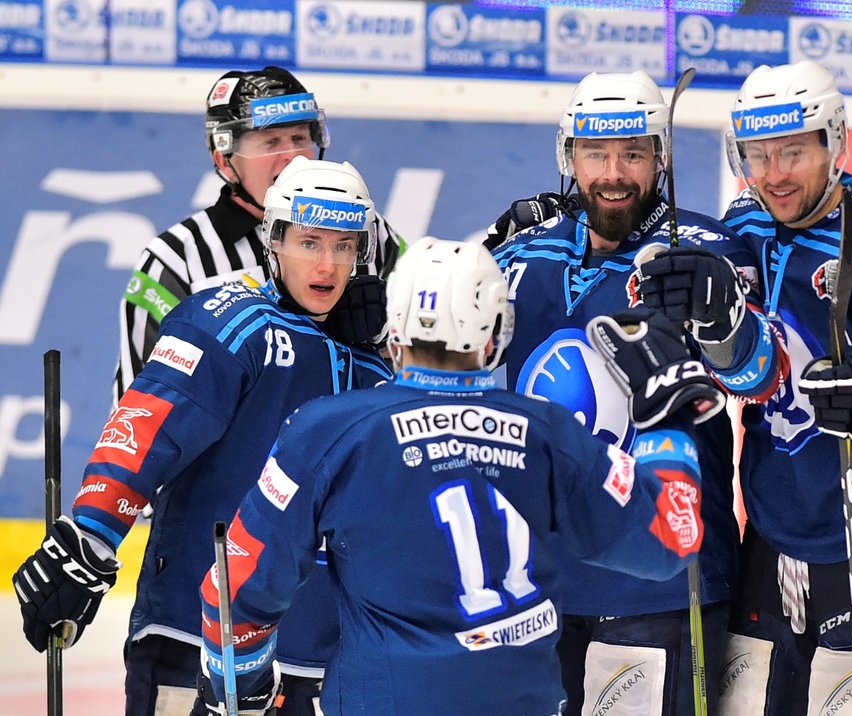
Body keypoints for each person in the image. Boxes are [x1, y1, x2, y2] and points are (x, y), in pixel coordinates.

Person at [193, 236, 720, 715]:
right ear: (495, 330)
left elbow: (236, 587)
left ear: (394, 325)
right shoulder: (545, 430)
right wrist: (664, 420)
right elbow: (670, 542)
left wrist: (242, 682)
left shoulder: (330, 430)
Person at [637, 60, 852, 715]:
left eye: (793, 152)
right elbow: (758, 371)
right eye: (758, 155)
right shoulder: (747, 227)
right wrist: (721, 324)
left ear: (836, 141)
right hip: (773, 540)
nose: (774, 175)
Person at [12, 157, 393, 716]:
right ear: (274, 239)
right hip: (198, 641)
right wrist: (89, 536)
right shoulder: (226, 322)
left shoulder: (373, 365)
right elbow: (146, 428)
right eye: (310, 242)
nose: (328, 263)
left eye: (343, 245)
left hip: (323, 659)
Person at [489, 70, 741, 715]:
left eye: (633, 153)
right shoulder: (526, 256)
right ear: (567, 156)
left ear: (661, 158)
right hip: (536, 587)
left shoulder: (700, 253)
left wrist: (721, 308)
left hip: (657, 586)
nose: (614, 172)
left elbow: (749, 355)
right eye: (595, 152)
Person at [115, 64, 401, 402]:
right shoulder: (175, 258)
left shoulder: (365, 226)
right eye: (271, 142)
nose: (292, 157)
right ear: (224, 160)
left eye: (299, 138)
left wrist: (387, 338)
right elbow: (139, 405)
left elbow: (437, 346)